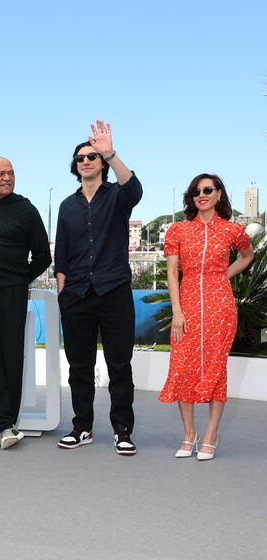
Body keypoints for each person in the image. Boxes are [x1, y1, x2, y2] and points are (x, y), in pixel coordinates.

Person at [54, 120, 142, 455]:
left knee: (120, 363)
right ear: (75, 166)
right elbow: (61, 251)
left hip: (114, 290)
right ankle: (82, 427)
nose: (87, 161)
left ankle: (123, 430)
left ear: (101, 162)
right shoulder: (67, 206)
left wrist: (113, 153)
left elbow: (135, 190)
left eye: (92, 156)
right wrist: (63, 290)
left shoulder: (118, 197)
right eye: (81, 158)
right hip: (76, 294)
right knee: (79, 365)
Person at [160, 174, 253, 461]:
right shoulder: (177, 230)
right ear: (191, 197)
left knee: (216, 368)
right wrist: (176, 311)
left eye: (208, 189)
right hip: (186, 305)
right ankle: (189, 434)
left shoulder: (232, 230)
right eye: (196, 191)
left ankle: (211, 435)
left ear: (219, 194)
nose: (202, 194)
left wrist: (222, 276)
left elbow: (247, 256)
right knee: (183, 366)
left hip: (220, 307)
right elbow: (172, 274)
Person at [0, 157, 51, 449]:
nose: (7, 178)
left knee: (10, 357)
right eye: (0, 173)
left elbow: (43, 256)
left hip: (11, 292)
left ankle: (4, 424)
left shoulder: (26, 209)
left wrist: (18, 279)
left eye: (11, 173)